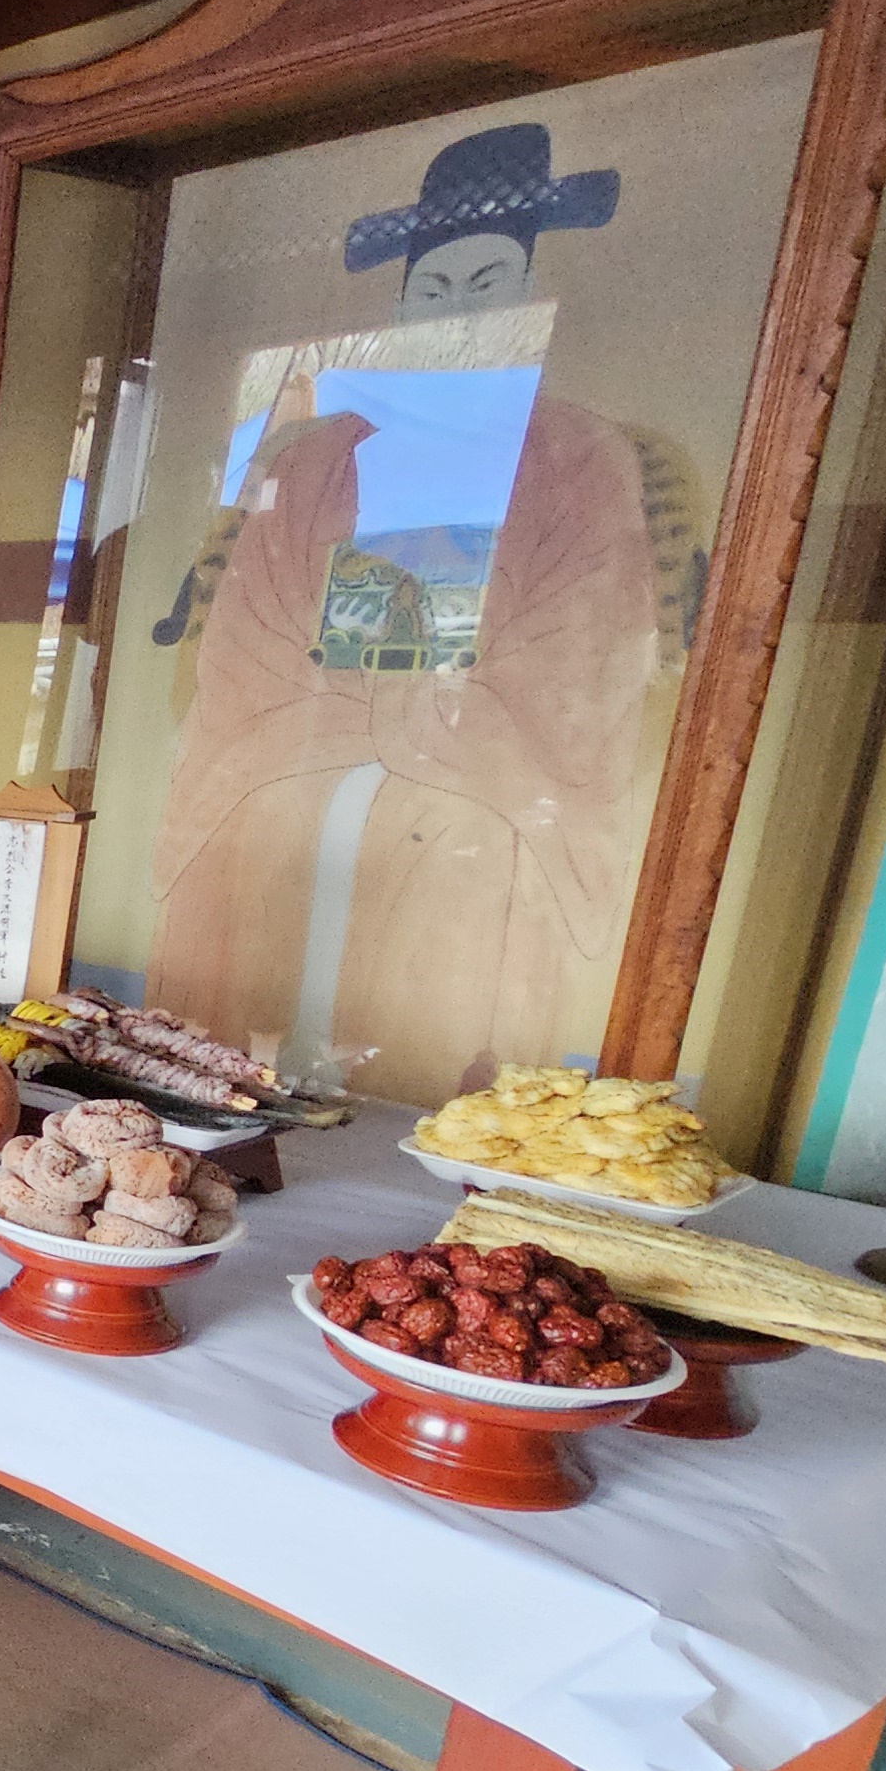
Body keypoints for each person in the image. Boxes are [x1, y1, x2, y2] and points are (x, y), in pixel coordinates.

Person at [145, 125, 697, 1103]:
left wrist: (409, 738)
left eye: (487, 287)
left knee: (439, 839)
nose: (459, 317)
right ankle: (223, 1093)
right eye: (434, 293)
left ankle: (416, 1115)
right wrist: (344, 732)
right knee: (261, 832)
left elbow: (581, 658)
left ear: (528, 299)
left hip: (486, 771)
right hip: (298, 744)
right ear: (402, 310)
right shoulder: (316, 462)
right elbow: (249, 639)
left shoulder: (580, 461)